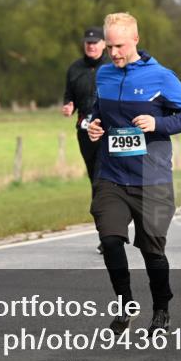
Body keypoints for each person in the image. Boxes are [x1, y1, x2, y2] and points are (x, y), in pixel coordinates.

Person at [87, 13, 181, 335]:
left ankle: (161, 309)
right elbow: (98, 112)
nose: (114, 53)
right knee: (110, 240)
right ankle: (125, 305)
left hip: (152, 180)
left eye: (119, 46)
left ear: (135, 40)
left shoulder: (160, 76)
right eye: (109, 47)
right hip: (111, 175)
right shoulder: (104, 74)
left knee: (152, 252)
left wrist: (158, 124)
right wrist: (93, 126)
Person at [62, 26, 109, 254]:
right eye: (88, 42)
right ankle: (105, 234)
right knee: (95, 180)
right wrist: (69, 105)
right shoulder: (75, 69)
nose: (91, 46)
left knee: (104, 179)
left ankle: (112, 229)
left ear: (103, 44)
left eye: (95, 42)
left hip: (108, 131)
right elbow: (68, 96)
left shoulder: (112, 66)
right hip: (84, 130)